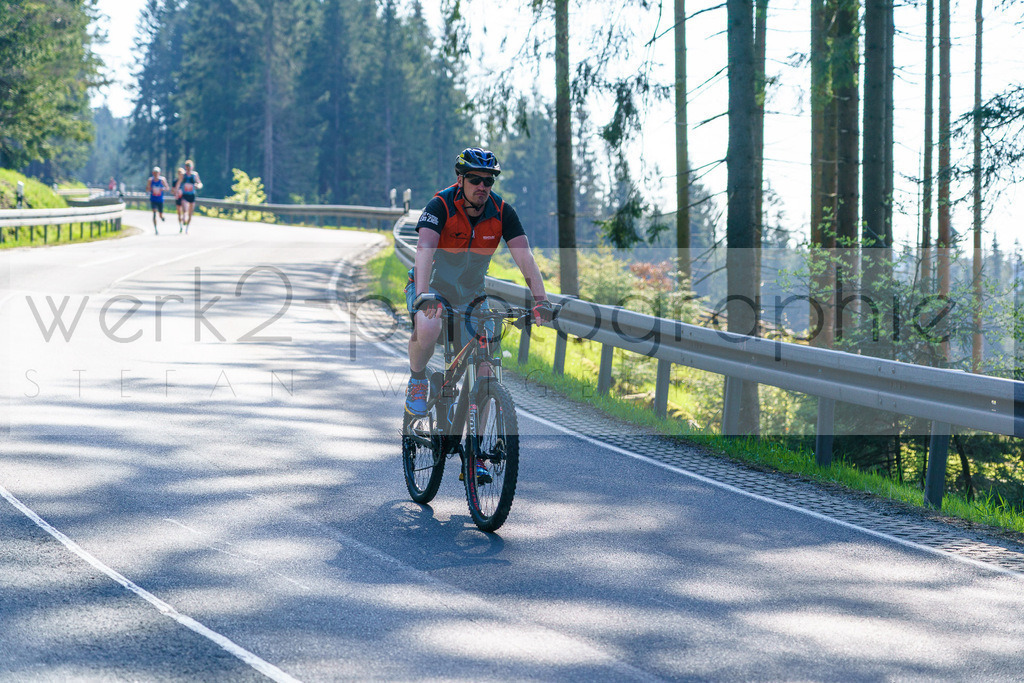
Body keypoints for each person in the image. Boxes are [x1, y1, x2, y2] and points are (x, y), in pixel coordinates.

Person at [405, 148, 554, 479]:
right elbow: (424, 251)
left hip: (471, 296)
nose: (482, 186)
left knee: (486, 368)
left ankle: (475, 457)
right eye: (475, 179)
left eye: (489, 180)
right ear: (460, 180)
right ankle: (417, 379)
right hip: (432, 286)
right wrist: (425, 293)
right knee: (428, 327)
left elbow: (525, 256)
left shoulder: (502, 212)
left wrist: (540, 299)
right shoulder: (439, 206)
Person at [178, 159, 203, 233]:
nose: (188, 168)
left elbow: (200, 183)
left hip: (192, 195)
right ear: (185, 167)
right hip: (185, 195)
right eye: (187, 166)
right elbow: (179, 183)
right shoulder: (183, 175)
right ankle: (184, 219)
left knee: (190, 213)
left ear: (192, 167)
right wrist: (177, 190)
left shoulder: (194, 175)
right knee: (185, 210)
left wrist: (198, 186)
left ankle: (187, 229)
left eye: (189, 166)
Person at [145, 167, 168, 232]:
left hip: (160, 200)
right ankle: (155, 229)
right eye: (154, 173)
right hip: (153, 199)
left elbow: (167, 188)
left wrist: (162, 189)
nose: (155, 174)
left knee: (160, 215)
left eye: (157, 173)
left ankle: (162, 217)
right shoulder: (150, 180)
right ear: (153, 173)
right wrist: (149, 188)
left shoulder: (162, 180)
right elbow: (147, 189)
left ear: (159, 173)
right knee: (154, 213)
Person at [172, 167, 185, 231]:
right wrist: (175, 191)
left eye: (182, 174)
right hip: (178, 198)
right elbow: (172, 190)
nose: (180, 175)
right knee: (179, 212)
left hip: (184, 197)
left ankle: (184, 218)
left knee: (184, 210)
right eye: (179, 174)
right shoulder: (175, 181)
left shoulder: (185, 181)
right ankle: (180, 226)